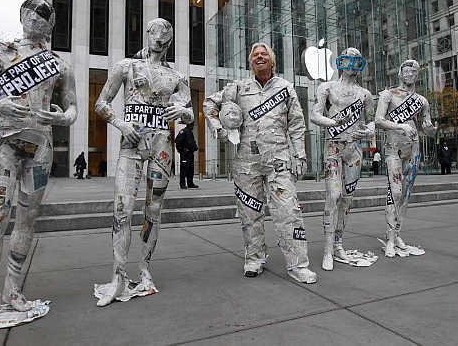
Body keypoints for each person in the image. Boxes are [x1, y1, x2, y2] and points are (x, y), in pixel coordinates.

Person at [0, 0, 77, 339]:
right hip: (4, 141)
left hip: (40, 145)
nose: (39, 18)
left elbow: (71, 109)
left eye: (46, 14)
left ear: (52, 24)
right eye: (34, 12)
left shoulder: (58, 65)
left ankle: (11, 291)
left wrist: (61, 117)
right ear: (22, 15)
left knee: (27, 219)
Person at [93, 18, 194, 307]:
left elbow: (189, 114)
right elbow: (101, 103)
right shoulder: (126, 66)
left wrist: (183, 114)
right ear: (147, 34)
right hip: (131, 145)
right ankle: (118, 274)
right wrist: (121, 124)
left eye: (166, 35)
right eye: (155, 33)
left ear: (170, 41)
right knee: (122, 209)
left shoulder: (177, 76)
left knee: (154, 210)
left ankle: (144, 268)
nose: (160, 39)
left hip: (162, 149)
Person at [203, 42, 317, 284]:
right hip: (247, 163)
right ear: (250, 62)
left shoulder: (285, 88)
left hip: (279, 161)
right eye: (254, 55)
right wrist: (220, 130)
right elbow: (209, 105)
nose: (259, 57)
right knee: (249, 214)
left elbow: (297, 125)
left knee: (289, 212)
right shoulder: (238, 88)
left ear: (272, 60)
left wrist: (301, 155)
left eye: (264, 54)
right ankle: (255, 258)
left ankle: (299, 264)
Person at [310, 47, 377, 271]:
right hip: (333, 147)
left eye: (356, 61)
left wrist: (368, 131)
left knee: (347, 199)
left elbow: (371, 121)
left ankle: (338, 242)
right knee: (333, 194)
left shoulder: (364, 94)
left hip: (354, 150)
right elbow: (315, 114)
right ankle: (328, 249)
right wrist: (333, 123)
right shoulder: (326, 87)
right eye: (348, 60)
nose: (352, 65)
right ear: (340, 62)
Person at [375, 59, 437, 257]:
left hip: (414, 148)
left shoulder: (421, 101)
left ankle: (396, 233)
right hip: (393, 148)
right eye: (407, 71)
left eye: (414, 72)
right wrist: (399, 126)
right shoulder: (388, 95)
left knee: (406, 194)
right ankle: (390, 239)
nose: (410, 75)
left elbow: (427, 126)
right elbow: (378, 120)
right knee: (396, 191)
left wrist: (430, 130)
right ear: (400, 74)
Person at [175, 122, 198, 189]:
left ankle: (190, 183)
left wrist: (195, 148)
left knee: (191, 169)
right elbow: (177, 141)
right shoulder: (183, 131)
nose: (193, 127)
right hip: (185, 154)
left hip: (190, 153)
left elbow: (192, 142)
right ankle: (182, 184)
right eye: (192, 125)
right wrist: (181, 150)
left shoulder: (190, 132)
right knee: (184, 169)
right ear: (189, 125)